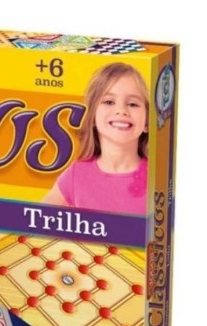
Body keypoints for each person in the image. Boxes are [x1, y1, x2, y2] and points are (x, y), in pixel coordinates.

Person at [42, 63, 148, 215]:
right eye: (109, 102)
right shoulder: (76, 174)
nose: (121, 110)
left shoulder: (157, 178)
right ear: (92, 116)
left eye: (132, 104)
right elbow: (35, 217)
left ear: (147, 122)